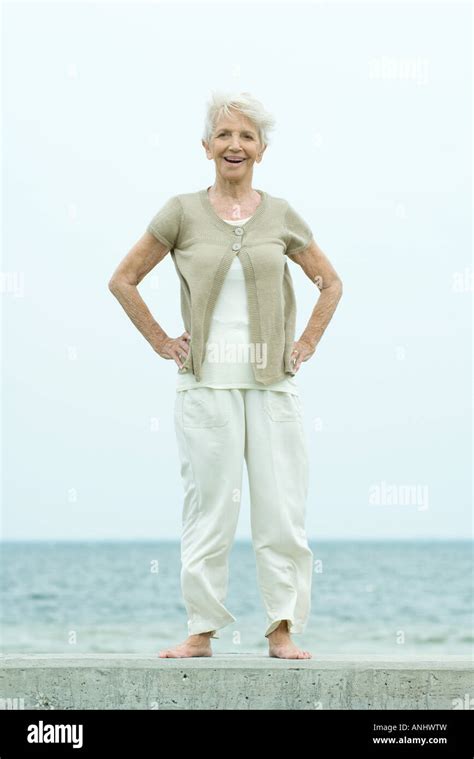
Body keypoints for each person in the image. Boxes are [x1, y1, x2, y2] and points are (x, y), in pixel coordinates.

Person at [108, 91, 343, 659]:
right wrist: (164, 342)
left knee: (281, 508)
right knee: (209, 509)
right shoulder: (181, 212)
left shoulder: (281, 214)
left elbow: (330, 283)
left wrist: (306, 342)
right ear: (207, 146)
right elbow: (123, 279)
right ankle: (201, 629)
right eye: (224, 135)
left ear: (261, 149)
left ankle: (281, 628)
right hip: (205, 384)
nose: (234, 145)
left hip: (273, 384)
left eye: (246, 136)